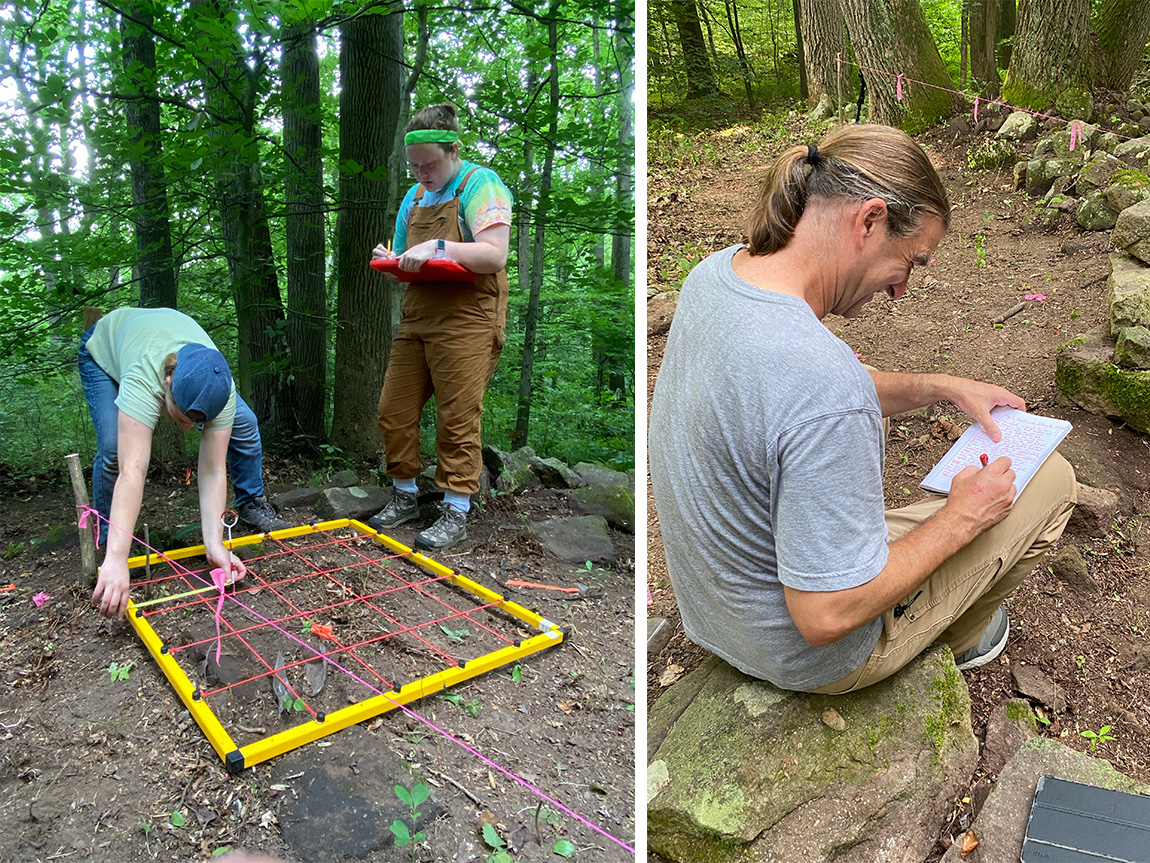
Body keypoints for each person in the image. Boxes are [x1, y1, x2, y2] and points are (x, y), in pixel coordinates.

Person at [648, 125, 1077, 694]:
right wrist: (963, 517)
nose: (901, 290)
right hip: (804, 652)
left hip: (719, 610)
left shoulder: (718, 275)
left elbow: (787, 400)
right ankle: (958, 637)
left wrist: (937, 385)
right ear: (870, 220)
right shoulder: (824, 387)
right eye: (912, 261)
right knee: (1052, 481)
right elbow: (826, 615)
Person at [78, 307, 289, 620]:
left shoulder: (222, 388)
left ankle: (250, 504)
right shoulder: (143, 377)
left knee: (245, 424)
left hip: (159, 337)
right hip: (103, 350)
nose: (187, 428)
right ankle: (111, 543)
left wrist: (214, 544)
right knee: (113, 450)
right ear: (167, 384)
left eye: (196, 422)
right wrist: (118, 558)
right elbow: (132, 471)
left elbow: (213, 469)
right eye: (182, 418)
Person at [367, 104, 513, 550]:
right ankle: (405, 495)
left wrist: (440, 244)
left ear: (453, 151)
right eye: (414, 165)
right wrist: (390, 261)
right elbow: (402, 263)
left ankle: (455, 510)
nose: (422, 174)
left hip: (468, 318)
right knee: (393, 409)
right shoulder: (413, 199)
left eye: (429, 164)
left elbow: (494, 255)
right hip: (418, 316)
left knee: (457, 417)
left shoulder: (480, 185)